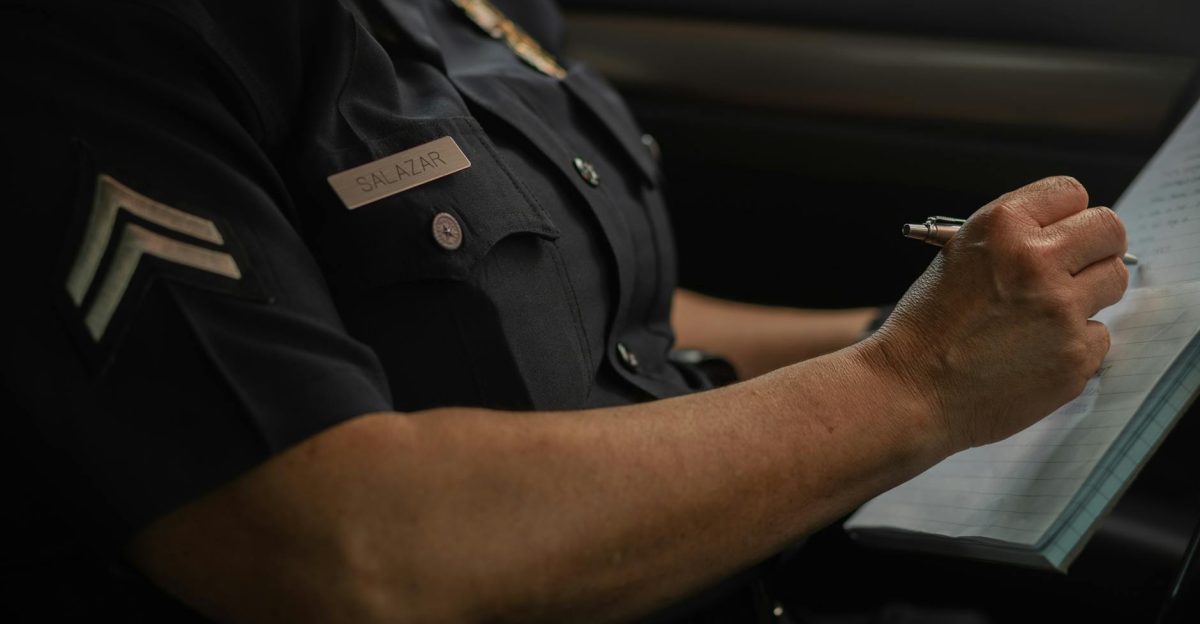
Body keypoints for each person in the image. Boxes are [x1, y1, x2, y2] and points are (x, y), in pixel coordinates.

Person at [0, 0, 1130, 622]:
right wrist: (916, 381)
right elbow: (345, 548)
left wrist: (903, 331)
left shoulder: (481, 15)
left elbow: (614, 326)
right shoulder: (104, 42)